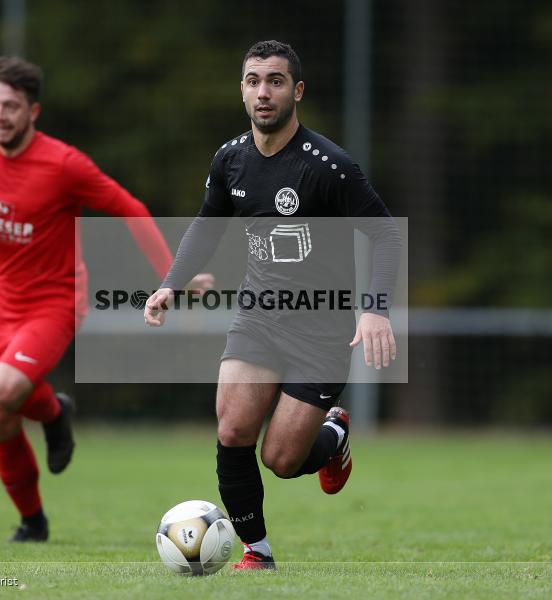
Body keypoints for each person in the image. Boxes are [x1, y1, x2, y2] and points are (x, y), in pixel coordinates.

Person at [144, 40, 401, 569]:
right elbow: (205, 226)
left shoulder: (330, 166)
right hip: (258, 318)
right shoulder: (231, 159)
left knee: (281, 460)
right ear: (242, 90)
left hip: (322, 331)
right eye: (254, 80)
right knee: (233, 428)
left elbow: (385, 235)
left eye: (276, 81)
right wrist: (172, 281)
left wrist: (375, 308)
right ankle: (256, 553)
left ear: (296, 91)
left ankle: (333, 433)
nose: (264, 92)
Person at [0, 56, 209, 542]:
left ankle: (55, 413)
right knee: (0, 422)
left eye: (11, 107)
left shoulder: (63, 164)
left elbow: (129, 207)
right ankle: (33, 521)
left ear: (33, 111)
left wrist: (175, 275)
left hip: (56, 299)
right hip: (1, 301)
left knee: (5, 389)